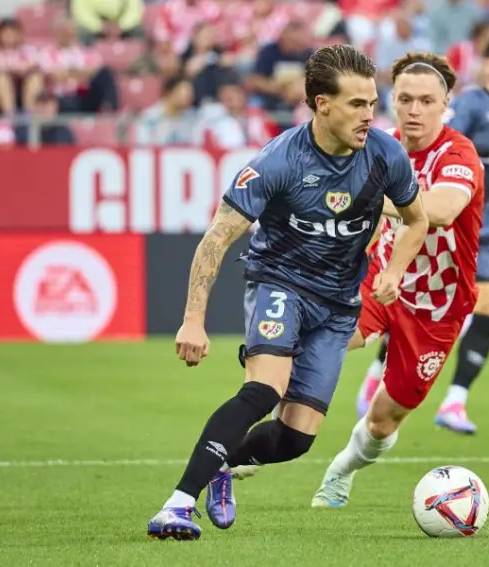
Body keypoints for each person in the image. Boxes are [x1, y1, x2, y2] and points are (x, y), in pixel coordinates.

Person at [146, 44, 429, 541]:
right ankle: (176, 505)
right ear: (322, 104)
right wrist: (193, 319)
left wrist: (395, 271)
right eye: (357, 105)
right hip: (280, 282)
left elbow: (417, 218)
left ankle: (221, 466)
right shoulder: (278, 161)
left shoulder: (386, 155)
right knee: (263, 390)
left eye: (372, 102)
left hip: (340, 304)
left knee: (296, 437)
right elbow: (217, 238)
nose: (371, 116)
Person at [310, 52, 485, 508]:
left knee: (384, 420)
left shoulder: (458, 154)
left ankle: (342, 467)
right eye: (404, 99)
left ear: (446, 104)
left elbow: (443, 212)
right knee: (325, 342)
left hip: (437, 303)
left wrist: (369, 197)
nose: (414, 110)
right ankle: (273, 433)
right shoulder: (376, 145)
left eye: (426, 101)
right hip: (376, 280)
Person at [355, 32, 489, 435]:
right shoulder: (469, 106)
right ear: (488, 62)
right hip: (430, 229)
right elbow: (456, 150)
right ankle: (379, 364)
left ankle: (456, 397)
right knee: (398, 294)